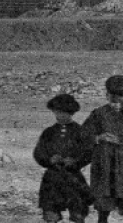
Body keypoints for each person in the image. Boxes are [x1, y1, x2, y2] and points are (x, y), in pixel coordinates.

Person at [84, 76, 123, 223]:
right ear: (107, 96)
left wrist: (122, 141)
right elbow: (83, 135)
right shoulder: (99, 114)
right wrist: (99, 138)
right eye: (113, 100)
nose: (116, 104)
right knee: (103, 204)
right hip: (105, 164)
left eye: (120, 100)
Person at [33, 93, 94, 223]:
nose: (60, 116)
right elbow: (38, 152)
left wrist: (76, 162)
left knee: (78, 213)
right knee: (50, 213)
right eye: (57, 112)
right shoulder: (48, 132)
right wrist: (49, 160)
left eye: (64, 113)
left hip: (73, 177)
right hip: (52, 177)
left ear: (72, 113)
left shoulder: (80, 131)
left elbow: (89, 152)